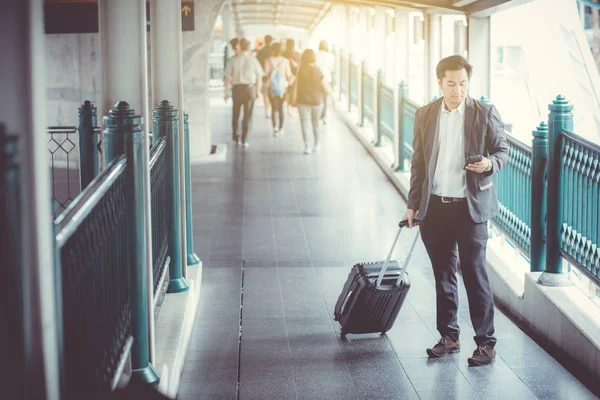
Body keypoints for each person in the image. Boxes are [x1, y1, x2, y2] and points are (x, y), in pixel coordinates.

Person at [402, 55, 509, 366]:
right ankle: (449, 337)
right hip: (434, 208)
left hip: (470, 209)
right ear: (439, 82)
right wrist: (413, 205)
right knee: (443, 274)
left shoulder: (484, 113)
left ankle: (485, 343)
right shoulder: (425, 114)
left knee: (475, 274)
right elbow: (418, 164)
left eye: (463, 84)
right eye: (451, 84)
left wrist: (490, 164)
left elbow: (503, 151)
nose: (458, 90)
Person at [223, 38, 264, 149]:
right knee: (248, 115)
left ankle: (236, 137)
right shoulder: (253, 60)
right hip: (250, 89)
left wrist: (226, 92)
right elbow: (259, 77)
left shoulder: (233, 60)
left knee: (235, 113)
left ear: (239, 46)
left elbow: (227, 78)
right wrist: (258, 91)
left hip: (236, 89)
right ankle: (244, 139)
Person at [292, 49, 334, 154]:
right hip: (316, 101)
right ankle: (317, 144)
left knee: (304, 124)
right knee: (316, 124)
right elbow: (325, 85)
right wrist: (332, 96)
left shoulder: (300, 70)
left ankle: (307, 146)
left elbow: (295, 84)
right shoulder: (317, 70)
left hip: (302, 101)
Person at [264, 42, 293, 137]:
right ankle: (281, 128)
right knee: (281, 108)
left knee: (273, 108)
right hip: (282, 87)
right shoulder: (285, 61)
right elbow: (288, 75)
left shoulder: (267, 60)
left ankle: (274, 128)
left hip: (271, 87)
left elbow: (266, 74)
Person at [315, 40, 334, 124]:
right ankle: (324, 117)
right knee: (325, 99)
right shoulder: (331, 56)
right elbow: (332, 69)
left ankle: (318, 115)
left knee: (318, 97)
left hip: (317, 79)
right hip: (327, 79)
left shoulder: (316, 54)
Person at [256, 35, 274, 119]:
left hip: (264, 75)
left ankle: (267, 110)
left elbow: (258, 63)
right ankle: (272, 108)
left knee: (265, 94)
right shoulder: (273, 50)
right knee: (273, 93)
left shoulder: (260, 51)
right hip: (273, 75)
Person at [283, 39, 301, 116]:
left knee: (287, 92)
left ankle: (288, 108)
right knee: (292, 91)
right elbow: (299, 66)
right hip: (294, 76)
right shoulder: (297, 54)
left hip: (285, 75)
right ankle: (291, 108)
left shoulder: (283, 53)